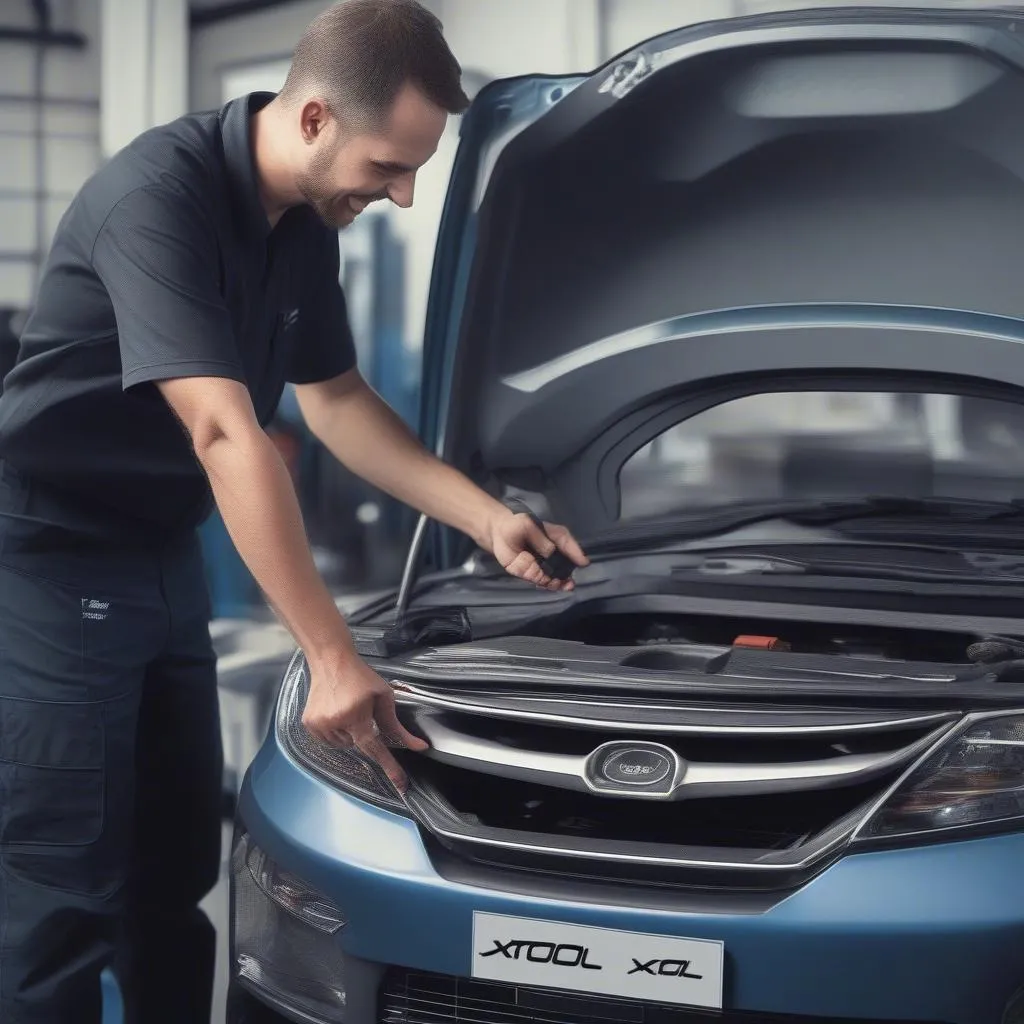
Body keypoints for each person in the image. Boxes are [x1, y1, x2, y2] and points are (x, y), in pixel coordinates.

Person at [0, 1, 589, 1022]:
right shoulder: (158, 200)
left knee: (174, 874)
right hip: (46, 562)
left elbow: (338, 403)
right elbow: (226, 432)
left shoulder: (300, 224)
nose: (402, 196)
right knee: (62, 893)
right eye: (389, 165)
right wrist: (328, 654)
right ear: (313, 117)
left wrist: (482, 516)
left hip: (159, 551)